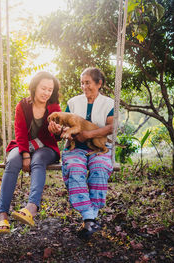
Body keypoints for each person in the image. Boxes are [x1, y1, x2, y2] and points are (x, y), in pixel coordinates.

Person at [0, 71, 62, 234]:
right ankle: (3, 214)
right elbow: (20, 132)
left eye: (50, 89)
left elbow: (57, 136)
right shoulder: (23, 105)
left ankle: (31, 208)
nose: (47, 93)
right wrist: (25, 154)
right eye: (43, 88)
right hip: (24, 145)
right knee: (12, 161)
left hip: (46, 148)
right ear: (34, 87)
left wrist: (58, 131)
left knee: (38, 160)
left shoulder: (54, 107)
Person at [61, 67, 114, 240]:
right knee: (75, 169)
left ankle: (90, 217)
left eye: (88, 83)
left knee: (100, 168)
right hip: (75, 146)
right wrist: (60, 129)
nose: (84, 87)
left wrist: (89, 134)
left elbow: (112, 127)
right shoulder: (74, 102)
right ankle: (89, 216)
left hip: (99, 146)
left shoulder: (109, 103)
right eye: (82, 83)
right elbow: (64, 123)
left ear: (99, 84)